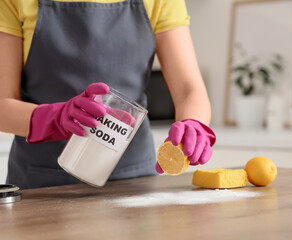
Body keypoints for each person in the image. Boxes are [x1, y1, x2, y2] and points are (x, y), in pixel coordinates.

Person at [0, 0, 216, 189]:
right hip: (41, 183)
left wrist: (194, 125)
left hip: (133, 183)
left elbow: (189, 89)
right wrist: (56, 117)